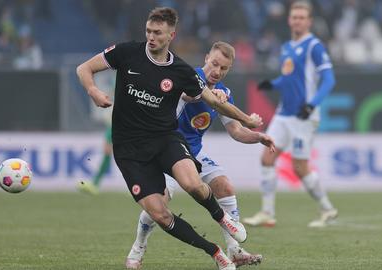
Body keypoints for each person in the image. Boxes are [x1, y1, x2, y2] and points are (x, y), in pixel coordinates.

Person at [76, 7, 262, 270]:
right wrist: (93, 90)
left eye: (158, 33)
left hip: (164, 138)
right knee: (160, 214)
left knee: (193, 184)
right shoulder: (127, 52)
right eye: (149, 31)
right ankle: (216, 252)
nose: (151, 37)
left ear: (171, 35)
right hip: (129, 149)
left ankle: (222, 219)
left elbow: (213, 101)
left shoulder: (181, 71)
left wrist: (247, 120)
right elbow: (84, 68)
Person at [125, 41, 276, 269]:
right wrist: (210, 95)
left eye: (223, 68)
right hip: (166, 149)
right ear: (206, 58)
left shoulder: (224, 93)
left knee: (224, 186)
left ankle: (234, 251)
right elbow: (188, 94)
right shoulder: (188, 74)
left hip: (193, 153)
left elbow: (236, 131)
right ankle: (138, 248)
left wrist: (259, 137)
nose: (217, 71)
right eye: (214, 64)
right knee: (159, 203)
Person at [243, 1, 338, 228]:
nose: (297, 20)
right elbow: (288, 78)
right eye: (294, 17)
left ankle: (327, 208)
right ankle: (267, 212)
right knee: (267, 157)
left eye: (301, 17)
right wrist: (272, 84)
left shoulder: (314, 46)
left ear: (309, 21)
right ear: (289, 19)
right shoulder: (286, 47)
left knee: (300, 167)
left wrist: (312, 104)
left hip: (303, 116)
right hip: (283, 114)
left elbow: (329, 79)